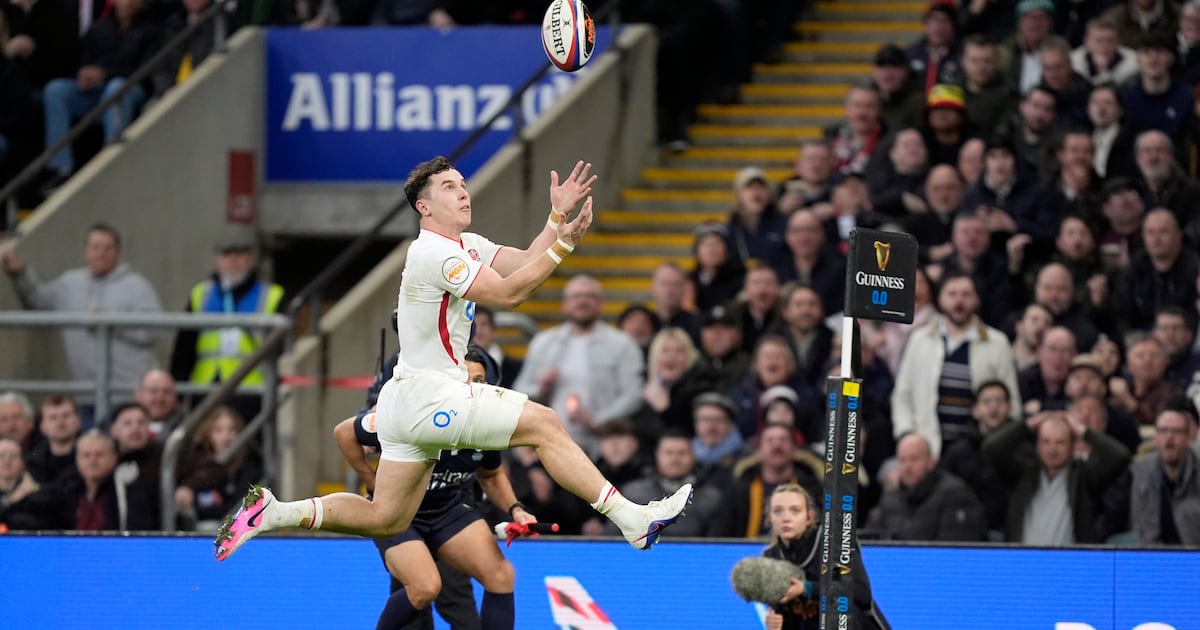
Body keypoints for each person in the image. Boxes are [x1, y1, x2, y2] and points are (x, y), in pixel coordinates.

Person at [213, 157, 693, 563]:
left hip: (404, 400)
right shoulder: (432, 253)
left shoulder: (467, 245)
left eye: (462, 184)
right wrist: (566, 244)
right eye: (448, 187)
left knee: (387, 517)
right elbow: (509, 295)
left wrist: (555, 219)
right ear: (423, 207)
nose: (462, 191)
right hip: (430, 396)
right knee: (545, 423)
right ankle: (631, 518)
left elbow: (525, 260)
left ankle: (276, 512)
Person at [335, 347, 532, 630]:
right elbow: (344, 433)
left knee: (502, 575)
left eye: (479, 381)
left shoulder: (487, 425)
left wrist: (516, 509)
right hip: (398, 514)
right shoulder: (413, 414)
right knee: (425, 587)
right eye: (465, 379)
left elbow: (491, 475)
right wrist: (372, 482)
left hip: (447, 510)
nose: (472, 387)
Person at [1, 224, 164, 422]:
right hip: (86, 395)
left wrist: (112, 322)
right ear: (85, 251)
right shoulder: (70, 284)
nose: (101, 254)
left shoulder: (137, 287)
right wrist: (20, 274)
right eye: (95, 247)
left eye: (108, 248)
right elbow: (39, 303)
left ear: (119, 252)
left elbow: (154, 331)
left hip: (128, 395)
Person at [512, 274, 645, 457]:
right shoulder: (543, 343)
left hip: (605, 446)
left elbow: (633, 395)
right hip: (551, 444)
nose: (582, 301)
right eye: (576, 296)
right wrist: (541, 389)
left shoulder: (622, 344)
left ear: (600, 303)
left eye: (589, 296)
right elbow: (519, 391)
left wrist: (596, 421)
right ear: (565, 304)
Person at [169, 224, 285, 423]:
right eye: (226, 253)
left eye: (239, 253)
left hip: (250, 391)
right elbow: (183, 349)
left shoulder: (271, 295)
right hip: (205, 389)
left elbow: (280, 351)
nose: (232, 259)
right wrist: (177, 390)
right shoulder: (201, 294)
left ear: (251, 258)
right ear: (217, 259)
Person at [760, 484, 888, 630]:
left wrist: (807, 588)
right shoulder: (771, 559)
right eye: (778, 511)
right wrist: (778, 624)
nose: (786, 518)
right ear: (769, 518)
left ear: (809, 518)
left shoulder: (833, 541)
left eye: (795, 510)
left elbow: (861, 593)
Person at [1129, 396, 1200, 544]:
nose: (1169, 439)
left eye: (1177, 432)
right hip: (1154, 553)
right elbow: (1140, 526)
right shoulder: (1143, 471)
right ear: (1155, 438)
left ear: (1189, 437)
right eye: (1163, 431)